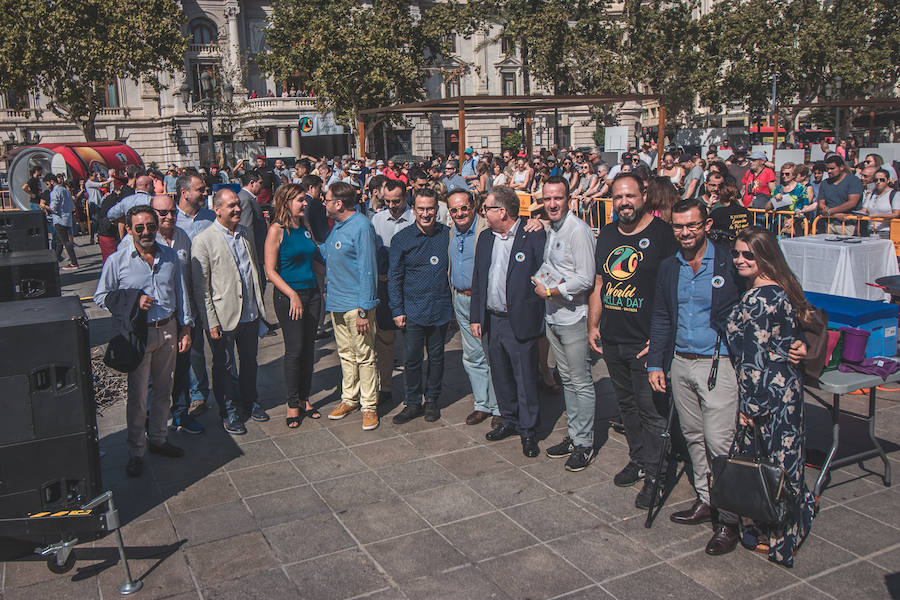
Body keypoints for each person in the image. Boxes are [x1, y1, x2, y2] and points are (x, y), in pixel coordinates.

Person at [647, 198, 744, 554]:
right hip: (680, 362)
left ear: (705, 225)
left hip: (717, 364)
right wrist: (656, 362)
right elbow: (661, 316)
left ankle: (729, 520)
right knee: (693, 437)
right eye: (678, 226)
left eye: (692, 225)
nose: (685, 232)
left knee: (720, 442)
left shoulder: (729, 260)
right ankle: (706, 499)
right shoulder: (669, 266)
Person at [725, 227, 817, 568]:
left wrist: (749, 407)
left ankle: (775, 537)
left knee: (769, 468)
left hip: (766, 394)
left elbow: (753, 359)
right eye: (737, 253)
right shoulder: (783, 287)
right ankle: (789, 529)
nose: (740, 260)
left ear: (765, 256)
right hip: (788, 389)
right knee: (785, 463)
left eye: (749, 254)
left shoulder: (759, 298)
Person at [587, 173, 678, 509]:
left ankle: (657, 473)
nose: (624, 202)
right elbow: (599, 283)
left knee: (652, 412)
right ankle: (639, 460)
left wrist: (659, 340)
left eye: (630, 196)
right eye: (617, 197)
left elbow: (672, 294)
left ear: (643, 196)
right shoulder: (608, 234)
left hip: (645, 342)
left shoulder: (664, 236)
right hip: (613, 338)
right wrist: (592, 324)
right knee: (626, 407)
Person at [94, 206, 193, 477]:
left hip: (169, 329)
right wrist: (133, 302)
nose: (146, 232)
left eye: (151, 225)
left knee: (164, 390)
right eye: (139, 228)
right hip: (139, 334)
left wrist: (186, 328)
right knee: (138, 397)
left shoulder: (170, 256)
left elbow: (181, 294)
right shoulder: (118, 261)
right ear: (129, 230)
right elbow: (101, 296)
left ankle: (159, 439)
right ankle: (137, 450)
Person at [470, 186, 546, 458]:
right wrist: (476, 316)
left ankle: (528, 430)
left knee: (524, 378)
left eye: (487, 208)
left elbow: (545, 269)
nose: (483, 212)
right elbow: (479, 278)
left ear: (502, 211)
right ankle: (510, 420)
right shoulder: (486, 237)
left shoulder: (531, 234)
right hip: (493, 319)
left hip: (520, 320)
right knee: (500, 375)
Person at [528, 177, 597, 472]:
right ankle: (574, 435)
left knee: (581, 382)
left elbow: (586, 278)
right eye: (547, 199)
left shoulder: (577, 231)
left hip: (574, 317)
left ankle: (585, 443)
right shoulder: (553, 227)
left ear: (568, 199)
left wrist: (552, 291)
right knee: (566, 379)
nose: (552, 204)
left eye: (558, 198)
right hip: (553, 317)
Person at [191, 188, 269, 435]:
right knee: (224, 367)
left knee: (249, 363)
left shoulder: (244, 233)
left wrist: (259, 307)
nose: (237, 209)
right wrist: (210, 321)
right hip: (223, 317)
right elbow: (201, 288)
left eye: (238, 204)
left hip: (248, 312)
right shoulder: (204, 240)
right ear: (217, 210)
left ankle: (250, 402)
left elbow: (253, 271)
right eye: (231, 206)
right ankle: (229, 411)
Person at [389, 188, 452, 424]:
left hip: (440, 308)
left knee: (437, 356)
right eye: (421, 209)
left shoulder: (447, 234)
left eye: (430, 209)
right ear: (413, 210)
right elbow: (395, 277)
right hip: (413, 309)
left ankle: (432, 400)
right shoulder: (402, 239)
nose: (426, 214)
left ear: (437, 209)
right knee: (412, 359)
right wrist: (397, 310)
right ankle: (413, 402)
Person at [321, 182, 380, 431]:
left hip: (357, 305)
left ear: (338, 204)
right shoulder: (337, 227)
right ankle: (349, 398)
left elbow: (368, 269)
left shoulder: (361, 226)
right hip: (337, 301)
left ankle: (369, 406)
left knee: (364, 356)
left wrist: (364, 309)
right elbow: (327, 253)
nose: (323, 203)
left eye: (327, 199)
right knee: (345, 354)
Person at [265, 184, 324, 428]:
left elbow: (315, 261)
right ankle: (291, 403)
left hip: (312, 293)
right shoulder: (276, 231)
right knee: (295, 350)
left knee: (309, 349)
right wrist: (292, 295)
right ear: (286, 202)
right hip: (289, 296)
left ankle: (304, 398)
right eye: (300, 200)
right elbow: (270, 272)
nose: (305, 204)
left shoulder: (305, 227)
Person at [447, 189, 499, 426]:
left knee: (492, 353)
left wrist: (537, 223)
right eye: (454, 209)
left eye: (464, 207)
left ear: (473, 206)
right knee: (472, 355)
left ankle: (499, 406)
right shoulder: (452, 232)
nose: (460, 213)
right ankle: (482, 403)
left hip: (484, 300)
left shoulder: (487, 230)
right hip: (460, 298)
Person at [371, 179, 414, 401]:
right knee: (385, 341)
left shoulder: (416, 219)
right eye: (387, 201)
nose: (391, 205)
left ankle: (413, 389)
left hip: (410, 288)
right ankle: (385, 386)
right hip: (386, 288)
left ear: (405, 198)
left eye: (396, 201)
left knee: (411, 342)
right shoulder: (377, 219)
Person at [817, 154, 863, 234]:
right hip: (829, 224)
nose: (829, 171)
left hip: (849, 225)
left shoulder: (853, 180)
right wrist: (834, 214)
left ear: (841, 167)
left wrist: (830, 211)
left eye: (832, 168)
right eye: (827, 169)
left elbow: (852, 203)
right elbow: (821, 203)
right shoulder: (824, 183)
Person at [49, 175, 79, 271]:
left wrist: (48, 208)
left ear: (52, 182)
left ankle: (74, 262)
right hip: (67, 217)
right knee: (59, 241)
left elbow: (53, 207)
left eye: (47, 183)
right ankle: (56, 258)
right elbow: (71, 205)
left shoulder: (55, 192)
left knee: (65, 241)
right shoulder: (66, 190)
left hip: (59, 218)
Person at [859, 168, 900, 238]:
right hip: (869, 230)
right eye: (876, 180)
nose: (878, 182)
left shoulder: (895, 194)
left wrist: (877, 216)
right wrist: (858, 213)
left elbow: (896, 214)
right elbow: (864, 209)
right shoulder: (871, 193)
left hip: (886, 232)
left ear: (888, 180)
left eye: (882, 180)